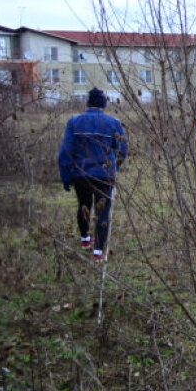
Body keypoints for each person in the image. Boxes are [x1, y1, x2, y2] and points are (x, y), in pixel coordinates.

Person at [58, 88, 127, 262]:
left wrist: (66, 176)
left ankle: (85, 240)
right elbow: (122, 150)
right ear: (104, 104)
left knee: (83, 205)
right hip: (104, 175)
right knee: (103, 212)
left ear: (88, 103)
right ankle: (98, 253)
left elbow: (65, 152)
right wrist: (114, 167)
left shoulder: (74, 122)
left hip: (80, 174)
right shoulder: (113, 123)